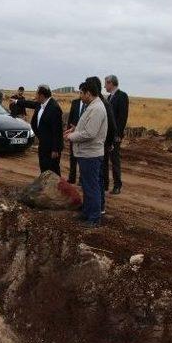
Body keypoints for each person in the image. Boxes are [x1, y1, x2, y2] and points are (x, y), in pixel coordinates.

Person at [64, 81, 108, 228]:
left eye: (81, 93)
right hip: (86, 153)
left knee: (91, 186)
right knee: (88, 186)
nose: (80, 95)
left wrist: (72, 137)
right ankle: (87, 212)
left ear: (88, 93)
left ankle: (94, 218)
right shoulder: (93, 106)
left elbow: (90, 133)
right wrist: (75, 130)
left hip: (91, 154)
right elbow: (86, 127)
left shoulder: (96, 108)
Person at [11, 85, 63, 175]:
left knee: (53, 170)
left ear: (42, 96)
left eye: (36, 94)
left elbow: (57, 131)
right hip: (43, 143)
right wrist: (16, 101)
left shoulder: (54, 108)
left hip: (51, 147)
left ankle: (56, 188)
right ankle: (45, 187)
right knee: (43, 167)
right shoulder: (40, 104)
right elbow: (30, 104)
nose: (35, 96)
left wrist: (55, 150)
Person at [85, 76, 116, 214]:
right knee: (91, 180)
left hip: (99, 147)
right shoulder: (92, 103)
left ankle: (99, 208)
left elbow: (112, 127)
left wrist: (108, 144)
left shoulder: (102, 105)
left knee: (98, 179)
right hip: (90, 148)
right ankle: (90, 207)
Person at [104, 74, 129, 194]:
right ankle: (105, 184)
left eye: (106, 83)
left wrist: (118, 134)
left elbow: (122, 117)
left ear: (111, 83)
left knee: (115, 161)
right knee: (104, 160)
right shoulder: (108, 98)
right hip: (106, 134)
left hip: (115, 135)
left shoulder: (122, 96)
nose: (104, 86)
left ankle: (117, 185)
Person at [66, 92, 84, 183]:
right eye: (80, 92)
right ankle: (72, 177)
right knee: (72, 156)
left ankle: (81, 179)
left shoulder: (89, 104)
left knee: (82, 156)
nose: (81, 94)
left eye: (82, 92)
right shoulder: (75, 102)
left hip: (83, 134)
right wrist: (68, 131)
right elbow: (71, 117)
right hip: (73, 132)